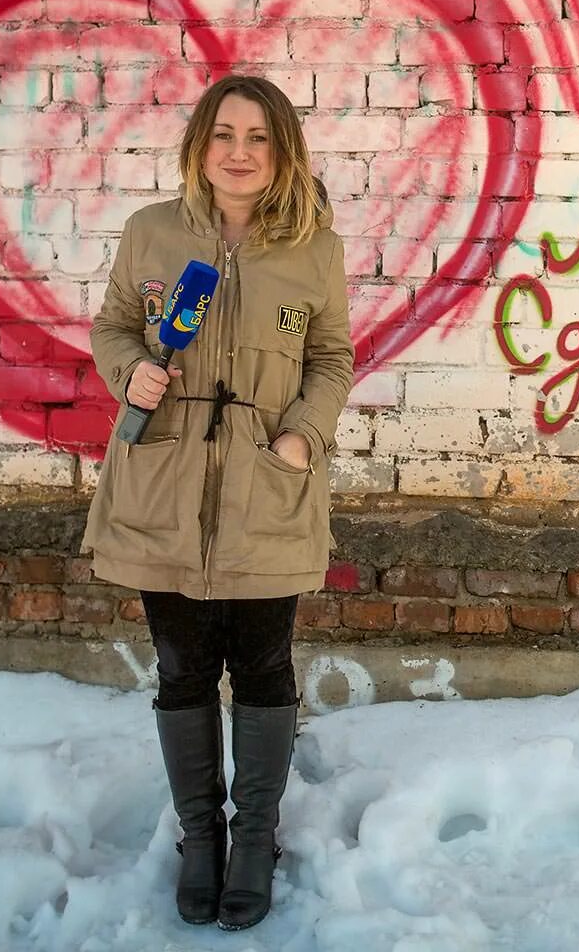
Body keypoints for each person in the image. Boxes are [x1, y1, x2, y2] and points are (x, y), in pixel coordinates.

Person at [81, 74, 354, 929]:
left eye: (258, 138)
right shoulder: (152, 233)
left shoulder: (314, 247)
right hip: (161, 485)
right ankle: (199, 839)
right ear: (200, 143)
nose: (239, 153)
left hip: (266, 488)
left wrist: (301, 436)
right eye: (224, 134)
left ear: (282, 152)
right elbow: (112, 327)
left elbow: (332, 357)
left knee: (263, 665)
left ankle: (254, 839)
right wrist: (131, 370)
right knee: (182, 667)